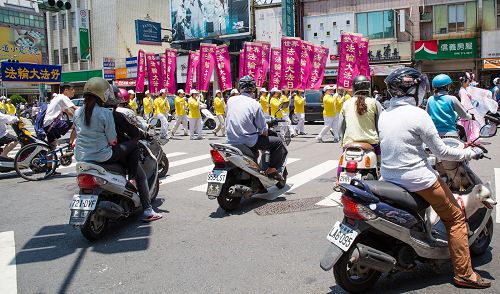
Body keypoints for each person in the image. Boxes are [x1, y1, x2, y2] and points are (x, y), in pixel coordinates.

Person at [379, 67, 490, 289]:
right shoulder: (419, 114)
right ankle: (464, 274)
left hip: (389, 177)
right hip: (417, 179)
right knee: (456, 218)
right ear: (413, 89)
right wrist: (470, 152)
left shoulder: (384, 114)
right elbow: (443, 153)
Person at [74, 78, 162, 222]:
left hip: (81, 156)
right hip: (104, 155)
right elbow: (113, 139)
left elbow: (78, 133)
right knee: (134, 149)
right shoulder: (108, 114)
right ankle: (146, 207)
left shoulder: (78, 112)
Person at [226, 76, 287, 179]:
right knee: (278, 142)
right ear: (253, 88)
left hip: (230, 139)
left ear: (240, 87)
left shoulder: (230, 100)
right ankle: (272, 170)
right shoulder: (255, 104)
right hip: (248, 140)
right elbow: (263, 131)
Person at [338, 75, 383, 181]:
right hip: (371, 143)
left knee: (342, 158)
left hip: (349, 142)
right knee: (380, 162)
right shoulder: (374, 103)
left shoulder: (346, 103)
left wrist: (343, 141)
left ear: (354, 88)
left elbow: (341, 125)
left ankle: (337, 180)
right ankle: (380, 173)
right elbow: (381, 123)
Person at [43, 84, 77, 149]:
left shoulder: (57, 97)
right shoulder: (63, 97)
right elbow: (75, 108)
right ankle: (70, 147)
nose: (74, 91)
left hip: (47, 125)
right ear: (66, 90)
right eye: (72, 89)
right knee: (77, 125)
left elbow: (67, 111)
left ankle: (48, 158)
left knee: (52, 147)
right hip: (53, 123)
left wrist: (75, 117)